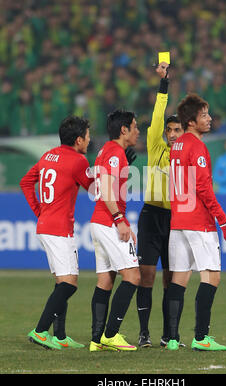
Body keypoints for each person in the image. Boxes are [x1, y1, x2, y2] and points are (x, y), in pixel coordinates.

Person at [20, 116, 94, 350]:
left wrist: (39, 211)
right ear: (79, 139)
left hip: (45, 226)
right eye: (88, 136)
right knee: (69, 284)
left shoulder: (47, 156)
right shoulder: (78, 161)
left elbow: (25, 182)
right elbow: (94, 190)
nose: (90, 140)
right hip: (60, 229)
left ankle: (59, 336)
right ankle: (41, 331)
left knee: (62, 281)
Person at [167, 93, 226, 351]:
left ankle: (172, 338)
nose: (209, 119)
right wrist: (223, 219)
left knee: (179, 279)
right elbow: (204, 188)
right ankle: (201, 337)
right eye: (204, 115)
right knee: (211, 277)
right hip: (198, 222)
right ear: (192, 121)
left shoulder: (177, 146)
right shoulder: (197, 147)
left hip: (178, 221)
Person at [136, 61, 184, 348]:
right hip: (151, 216)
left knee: (171, 280)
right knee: (147, 276)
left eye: (179, 129)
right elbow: (158, 112)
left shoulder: (187, 151)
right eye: (171, 129)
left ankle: (170, 334)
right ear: (165, 132)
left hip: (176, 220)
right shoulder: (157, 145)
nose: (174, 133)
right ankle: (144, 333)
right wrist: (164, 83)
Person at [89, 109, 141, 352]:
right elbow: (108, 190)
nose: (138, 131)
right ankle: (111, 335)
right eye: (135, 126)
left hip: (99, 221)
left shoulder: (105, 151)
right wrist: (120, 219)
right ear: (124, 130)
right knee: (132, 276)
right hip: (109, 220)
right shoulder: (114, 152)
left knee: (105, 280)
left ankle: (96, 340)